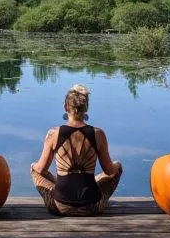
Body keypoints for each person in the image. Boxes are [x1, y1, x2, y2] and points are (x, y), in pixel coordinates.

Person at [30, 84, 122, 216]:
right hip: (92, 207)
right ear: (86, 108)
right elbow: (109, 171)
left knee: (34, 169)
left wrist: (34, 166)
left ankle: (62, 183)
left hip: (59, 206)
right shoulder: (98, 134)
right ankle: (88, 182)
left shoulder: (53, 134)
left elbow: (41, 169)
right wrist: (117, 166)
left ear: (65, 106)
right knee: (117, 168)